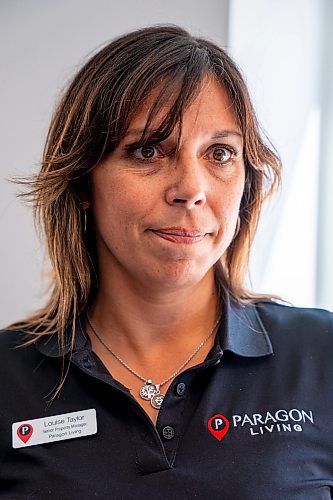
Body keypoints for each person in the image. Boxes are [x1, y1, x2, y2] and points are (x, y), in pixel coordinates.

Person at [0, 25, 332, 500]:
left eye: (219, 153)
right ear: (81, 183)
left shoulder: (321, 357)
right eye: (148, 150)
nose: (191, 189)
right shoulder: (7, 380)